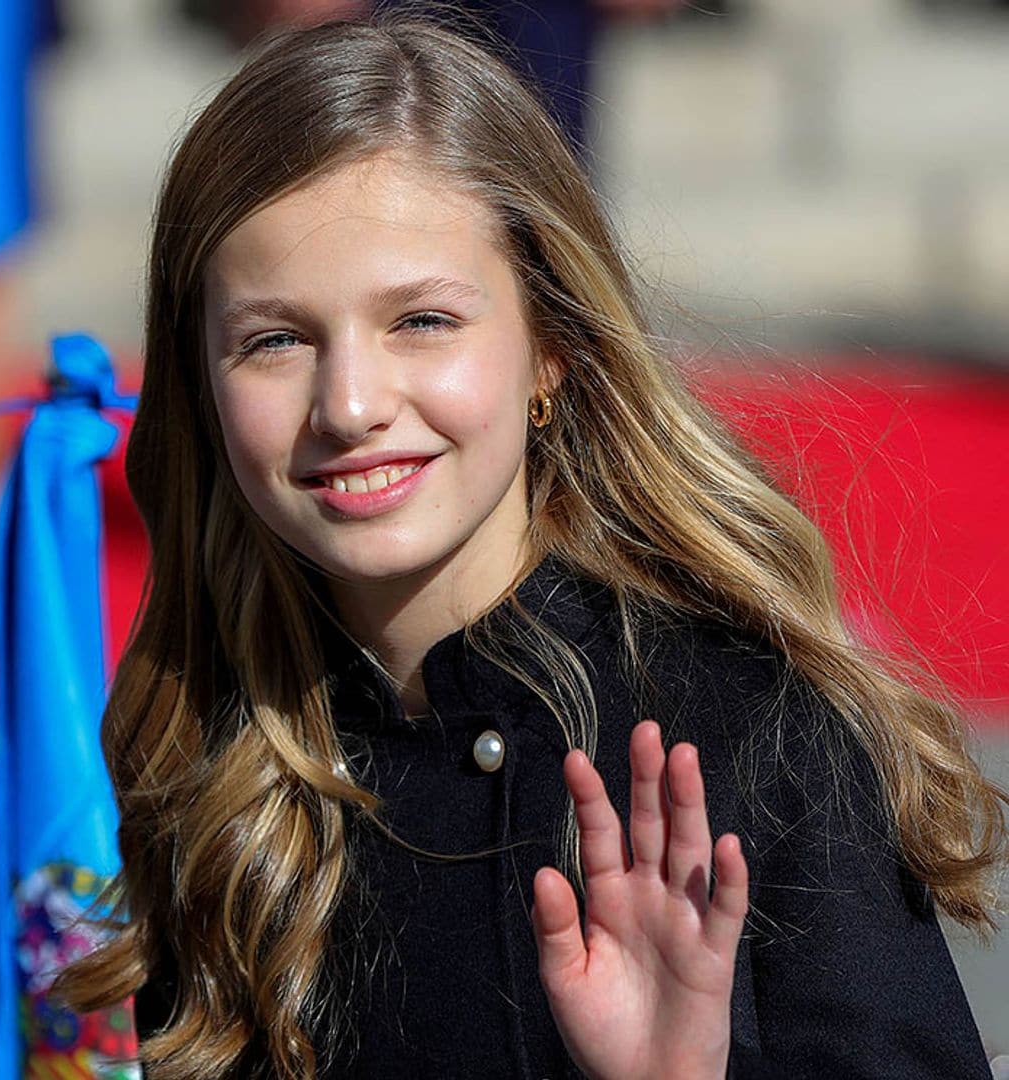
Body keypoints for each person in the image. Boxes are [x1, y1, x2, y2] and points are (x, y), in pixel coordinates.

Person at [54, 12, 1007, 1079]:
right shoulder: (203, 768)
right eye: (276, 340)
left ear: (551, 346)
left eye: (421, 320)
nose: (352, 402)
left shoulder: (750, 735)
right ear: (198, 386)